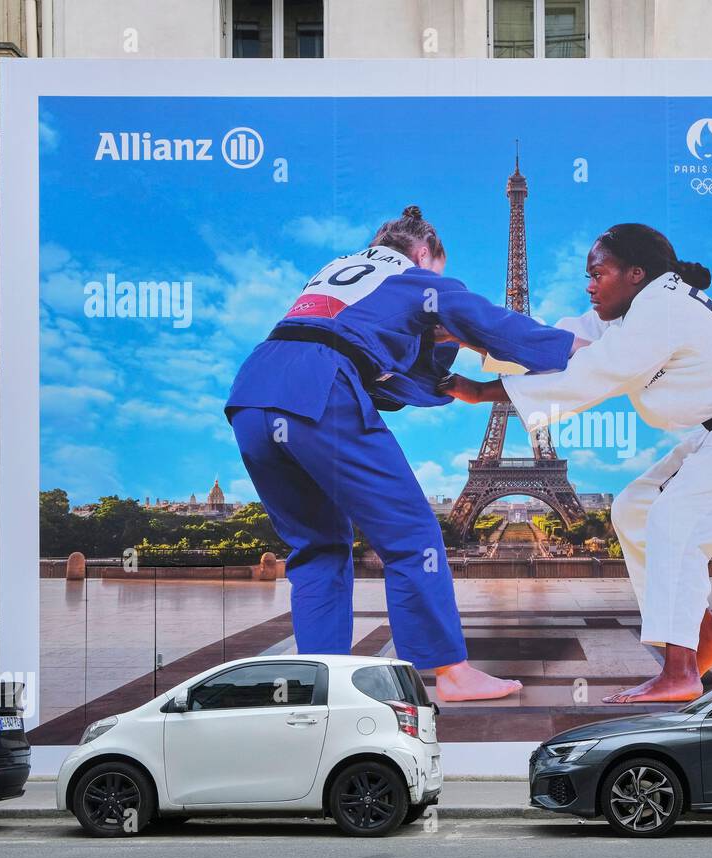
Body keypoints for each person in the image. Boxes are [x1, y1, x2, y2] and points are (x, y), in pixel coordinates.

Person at [442, 223, 712, 702]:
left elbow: (589, 374)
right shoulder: (631, 310)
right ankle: (706, 637)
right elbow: (553, 342)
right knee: (634, 509)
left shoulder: (661, 308)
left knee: (675, 521)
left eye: (597, 273)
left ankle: (680, 671)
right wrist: (474, 338)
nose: (588, 285)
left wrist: (482, 392)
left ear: (635, 274)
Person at [226, 206, 584, 701]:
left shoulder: (333, 274)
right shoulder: (414, 278)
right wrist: (574, 348)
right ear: (422, 254)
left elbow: (384, 378)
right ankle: (449, 672)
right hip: (319, 387)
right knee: (413, 535)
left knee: (318, 549)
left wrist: (445, 366)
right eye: (434, 268)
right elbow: (496, 325)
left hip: (253, 393)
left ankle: (321, 683)